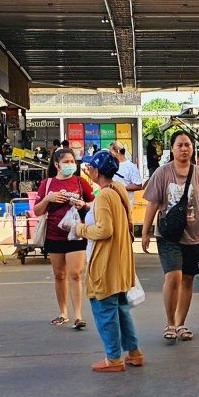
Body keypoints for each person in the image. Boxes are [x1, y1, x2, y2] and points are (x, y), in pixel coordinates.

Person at [141, 130, 199, 342]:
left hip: (194, 235)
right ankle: (170, 323)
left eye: (187, 145)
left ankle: (181, 324)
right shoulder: (162, 173)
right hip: (168, 235)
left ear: (193, 148)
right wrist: (145, 231)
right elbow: (153, 203)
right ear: (172, 149)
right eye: (180, 145)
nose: (184, 149)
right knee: (173, 276)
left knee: (188, 279)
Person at [75, 149, 142, 372]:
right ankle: (133, 352)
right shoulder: (118, 189)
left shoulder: (104, 195)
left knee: (105, 310)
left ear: (96, 171)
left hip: (105, 262)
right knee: (121, 309)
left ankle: (114, 358)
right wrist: (87, 207)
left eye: (90, 168)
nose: (88, 171)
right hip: (120, 260)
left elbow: (104, 229)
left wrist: (79, 228)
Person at [34, 148, 95, 330]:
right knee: (59, 275)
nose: (70, 165)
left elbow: (94, 202)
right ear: (56, 164)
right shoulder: (47, 184)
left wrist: (83, 204)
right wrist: (48, 198)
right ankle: (63, 312)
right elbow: (37, 210)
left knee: (75, 274)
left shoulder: (80, 182)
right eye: (66, 162)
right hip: (54, 235)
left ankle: (78, 315)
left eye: (72, 162)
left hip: (76, 233)